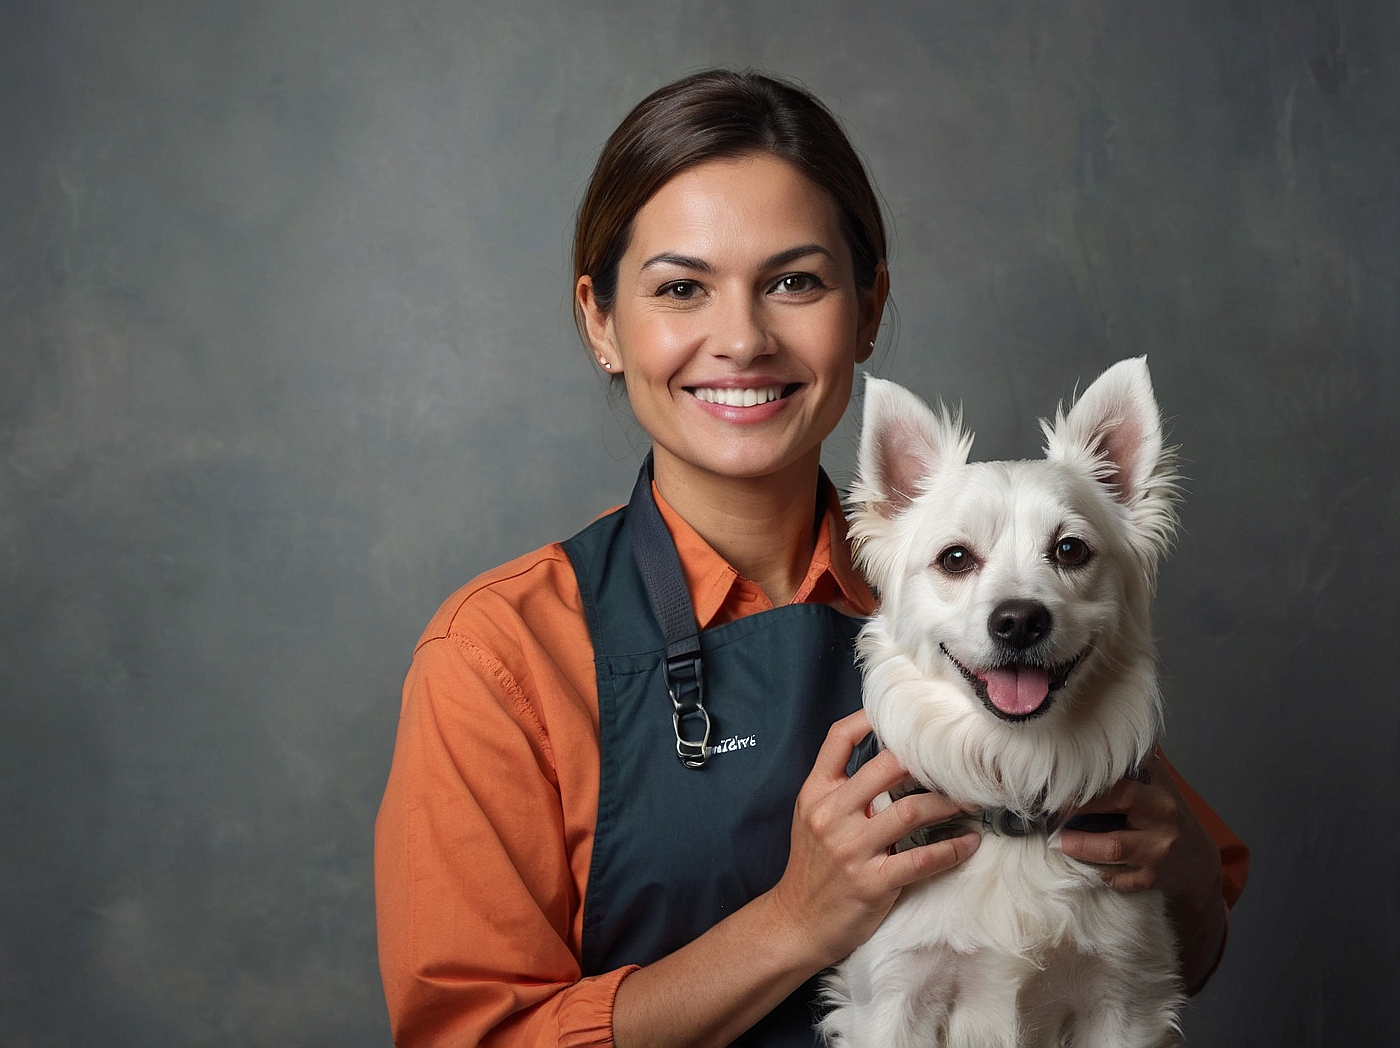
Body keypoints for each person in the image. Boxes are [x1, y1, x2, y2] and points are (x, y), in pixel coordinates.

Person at [374, 69, 1249, 1048]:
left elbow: (1178, 931)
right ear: (600, 321)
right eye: (679, 288)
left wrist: (1171, 870)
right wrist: (791, 925)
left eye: (793, 281)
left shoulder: (994, 599)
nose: (742, 338)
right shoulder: (498, 655)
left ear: (867, 309)